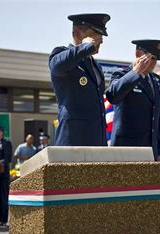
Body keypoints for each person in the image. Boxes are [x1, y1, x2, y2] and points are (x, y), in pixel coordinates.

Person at [49, 13, 110, 146]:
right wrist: (84, 47)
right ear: (77, 33)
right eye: (95, 35)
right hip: (73, 138)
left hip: (96, 138)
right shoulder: (61, 54)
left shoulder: (95, 65)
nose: (100, 40)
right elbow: (57, 66)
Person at [106, 39, 160, 160]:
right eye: (151, 58)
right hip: (126, 149)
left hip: (150, 151)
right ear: (138, 54)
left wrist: (157, 151)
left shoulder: (156, 80)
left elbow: (156, 118)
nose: (154, 63)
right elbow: (113, 95)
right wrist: (136, 72)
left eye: (156, 59)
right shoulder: (122, 74)